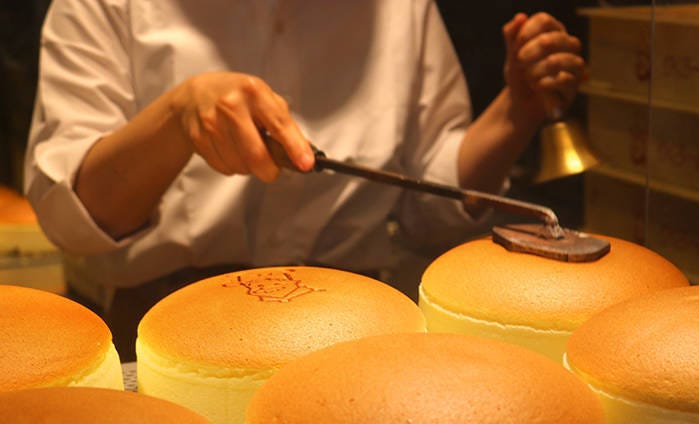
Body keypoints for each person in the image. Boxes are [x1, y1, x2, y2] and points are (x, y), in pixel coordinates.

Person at [24, 0, 585, 361]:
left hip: (358, 331)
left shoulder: (401, 9)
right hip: (162, 333)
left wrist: (515, 112)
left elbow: (428, 206)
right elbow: (71, 217)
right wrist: (176, 119)